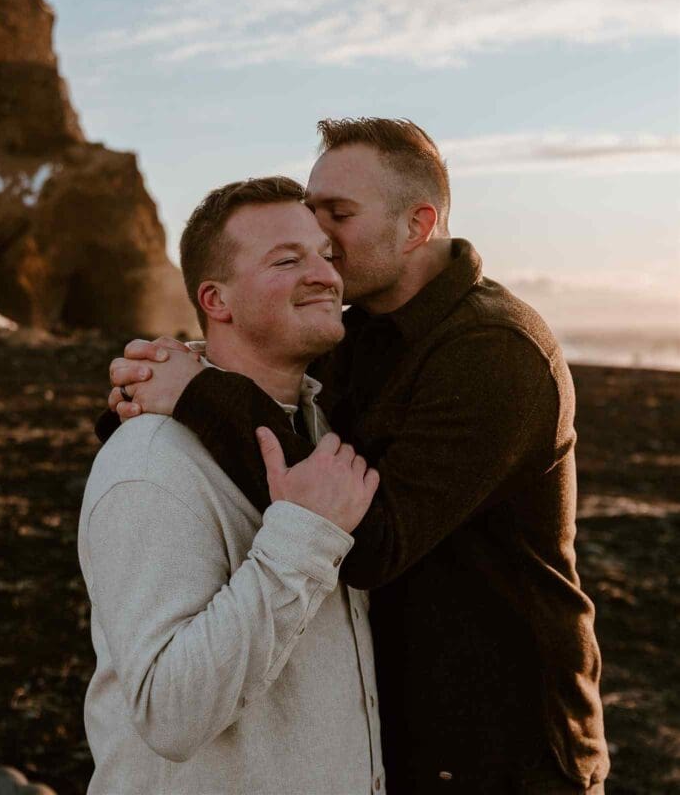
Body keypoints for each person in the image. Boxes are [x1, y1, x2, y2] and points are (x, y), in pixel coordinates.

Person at [105, 118, 609, 794]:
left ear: (417, 224)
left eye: (338, 216)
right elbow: (275, 395)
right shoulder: (355, 329)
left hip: (507, 749)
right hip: (403, 739)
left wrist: (200, 394)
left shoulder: (495, 353)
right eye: (310, 221)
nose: (323, 245)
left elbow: (369, 541)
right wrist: (150, 393)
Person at [80, 176, 385, 795]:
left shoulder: (324, 427)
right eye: (286, 259)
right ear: (216, 301)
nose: (326, 275)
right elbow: (169, 711)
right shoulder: (150, 462)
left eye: (325, 255)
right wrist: (303, 539)